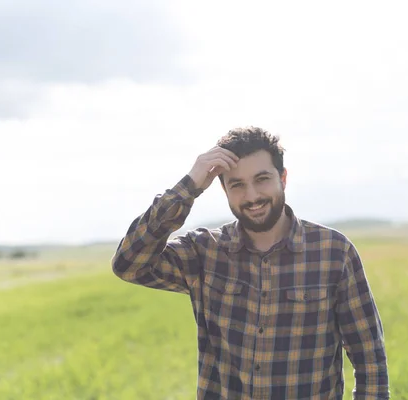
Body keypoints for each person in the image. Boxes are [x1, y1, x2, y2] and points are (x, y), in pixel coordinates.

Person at [112, 126, 390, 399]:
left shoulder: (334, 252)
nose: (252, 196)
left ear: (283, 178)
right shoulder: (204, 251)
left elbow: (370, 360)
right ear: (223, 189)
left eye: (262, 179)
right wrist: (189, 187)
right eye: (237, 185)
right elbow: (129, 264)